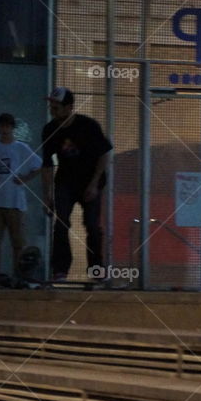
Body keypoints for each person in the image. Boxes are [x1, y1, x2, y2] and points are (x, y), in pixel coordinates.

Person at [42, 87, 112, 282]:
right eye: (51, 107)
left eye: (57, 107)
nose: (53, 111)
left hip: (90, 180)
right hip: (66, 181)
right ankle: (60, 269)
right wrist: (47, 195)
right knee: (61, 222)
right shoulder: (49, 130)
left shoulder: (88, 126)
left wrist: (94, 184)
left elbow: (104, 154)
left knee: (92, 224)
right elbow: (47, 164)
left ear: (69, 108)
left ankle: (96, 269)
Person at [0, 113, 42, 274]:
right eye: (2, 126)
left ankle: (16, 272)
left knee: (17, 241)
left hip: (15, 201)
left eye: (7, 126)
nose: (4, 129)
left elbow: (39, 165)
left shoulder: (21, 148)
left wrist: (25, 178)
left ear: (12, 128)